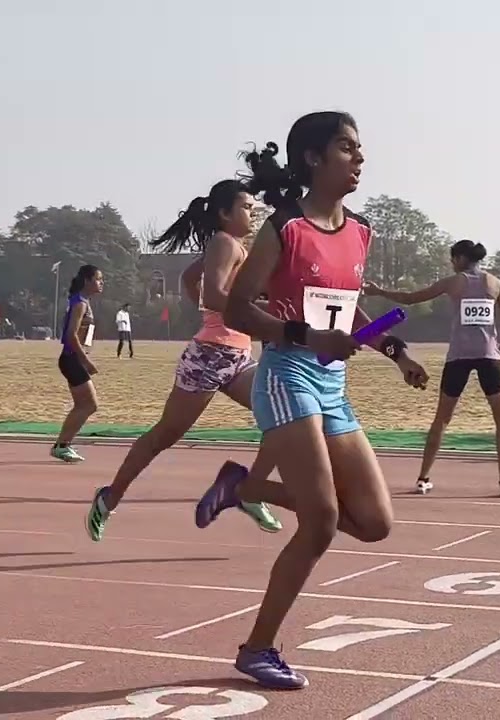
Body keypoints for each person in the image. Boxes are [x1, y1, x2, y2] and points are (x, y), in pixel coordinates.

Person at [192, 111, 429, 689]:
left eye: (360, 148)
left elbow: (346, 307)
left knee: (373, 523)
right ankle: (258, 648)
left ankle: (243, 487)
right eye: (347, 148)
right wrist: (304, 336)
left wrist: (394, 352)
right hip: (286, 377)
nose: (360, 158)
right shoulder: (284, 228)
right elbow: (237, 308)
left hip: (333, 386)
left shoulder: (362, 230)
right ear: (313, 160)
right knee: (321, 521)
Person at [83, 180, 282, 540]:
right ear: (224, 213)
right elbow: (214, 293)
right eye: (246, 208)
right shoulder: (224, 242)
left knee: (283, 414)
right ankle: (109, 498)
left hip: (237, 356)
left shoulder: (231, 246)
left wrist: (217, 313)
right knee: (164, 435)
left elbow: (194, 279)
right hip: (208, 357)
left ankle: (250, 491)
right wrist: (270, 311)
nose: (252, 213)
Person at [363, 239, 500, 498]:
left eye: (453, 259)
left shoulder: (453, 282)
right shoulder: (496, 283)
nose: (452, 264)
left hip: (459, 358)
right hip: (489, 357)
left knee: (442, 419)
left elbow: (411, 298)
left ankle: (423, 478)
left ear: (462, 259)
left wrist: (379, 291)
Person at [51, 264, 103, 463]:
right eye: (98, 279)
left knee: (85, 404)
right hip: (72, 359)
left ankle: (63, 444)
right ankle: (62, 445)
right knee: (88, 405)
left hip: (72, 358)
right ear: (88, 280)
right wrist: (85, 360)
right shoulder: (80, 303)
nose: (101, 283)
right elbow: (71, 334)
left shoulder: (82, 301)